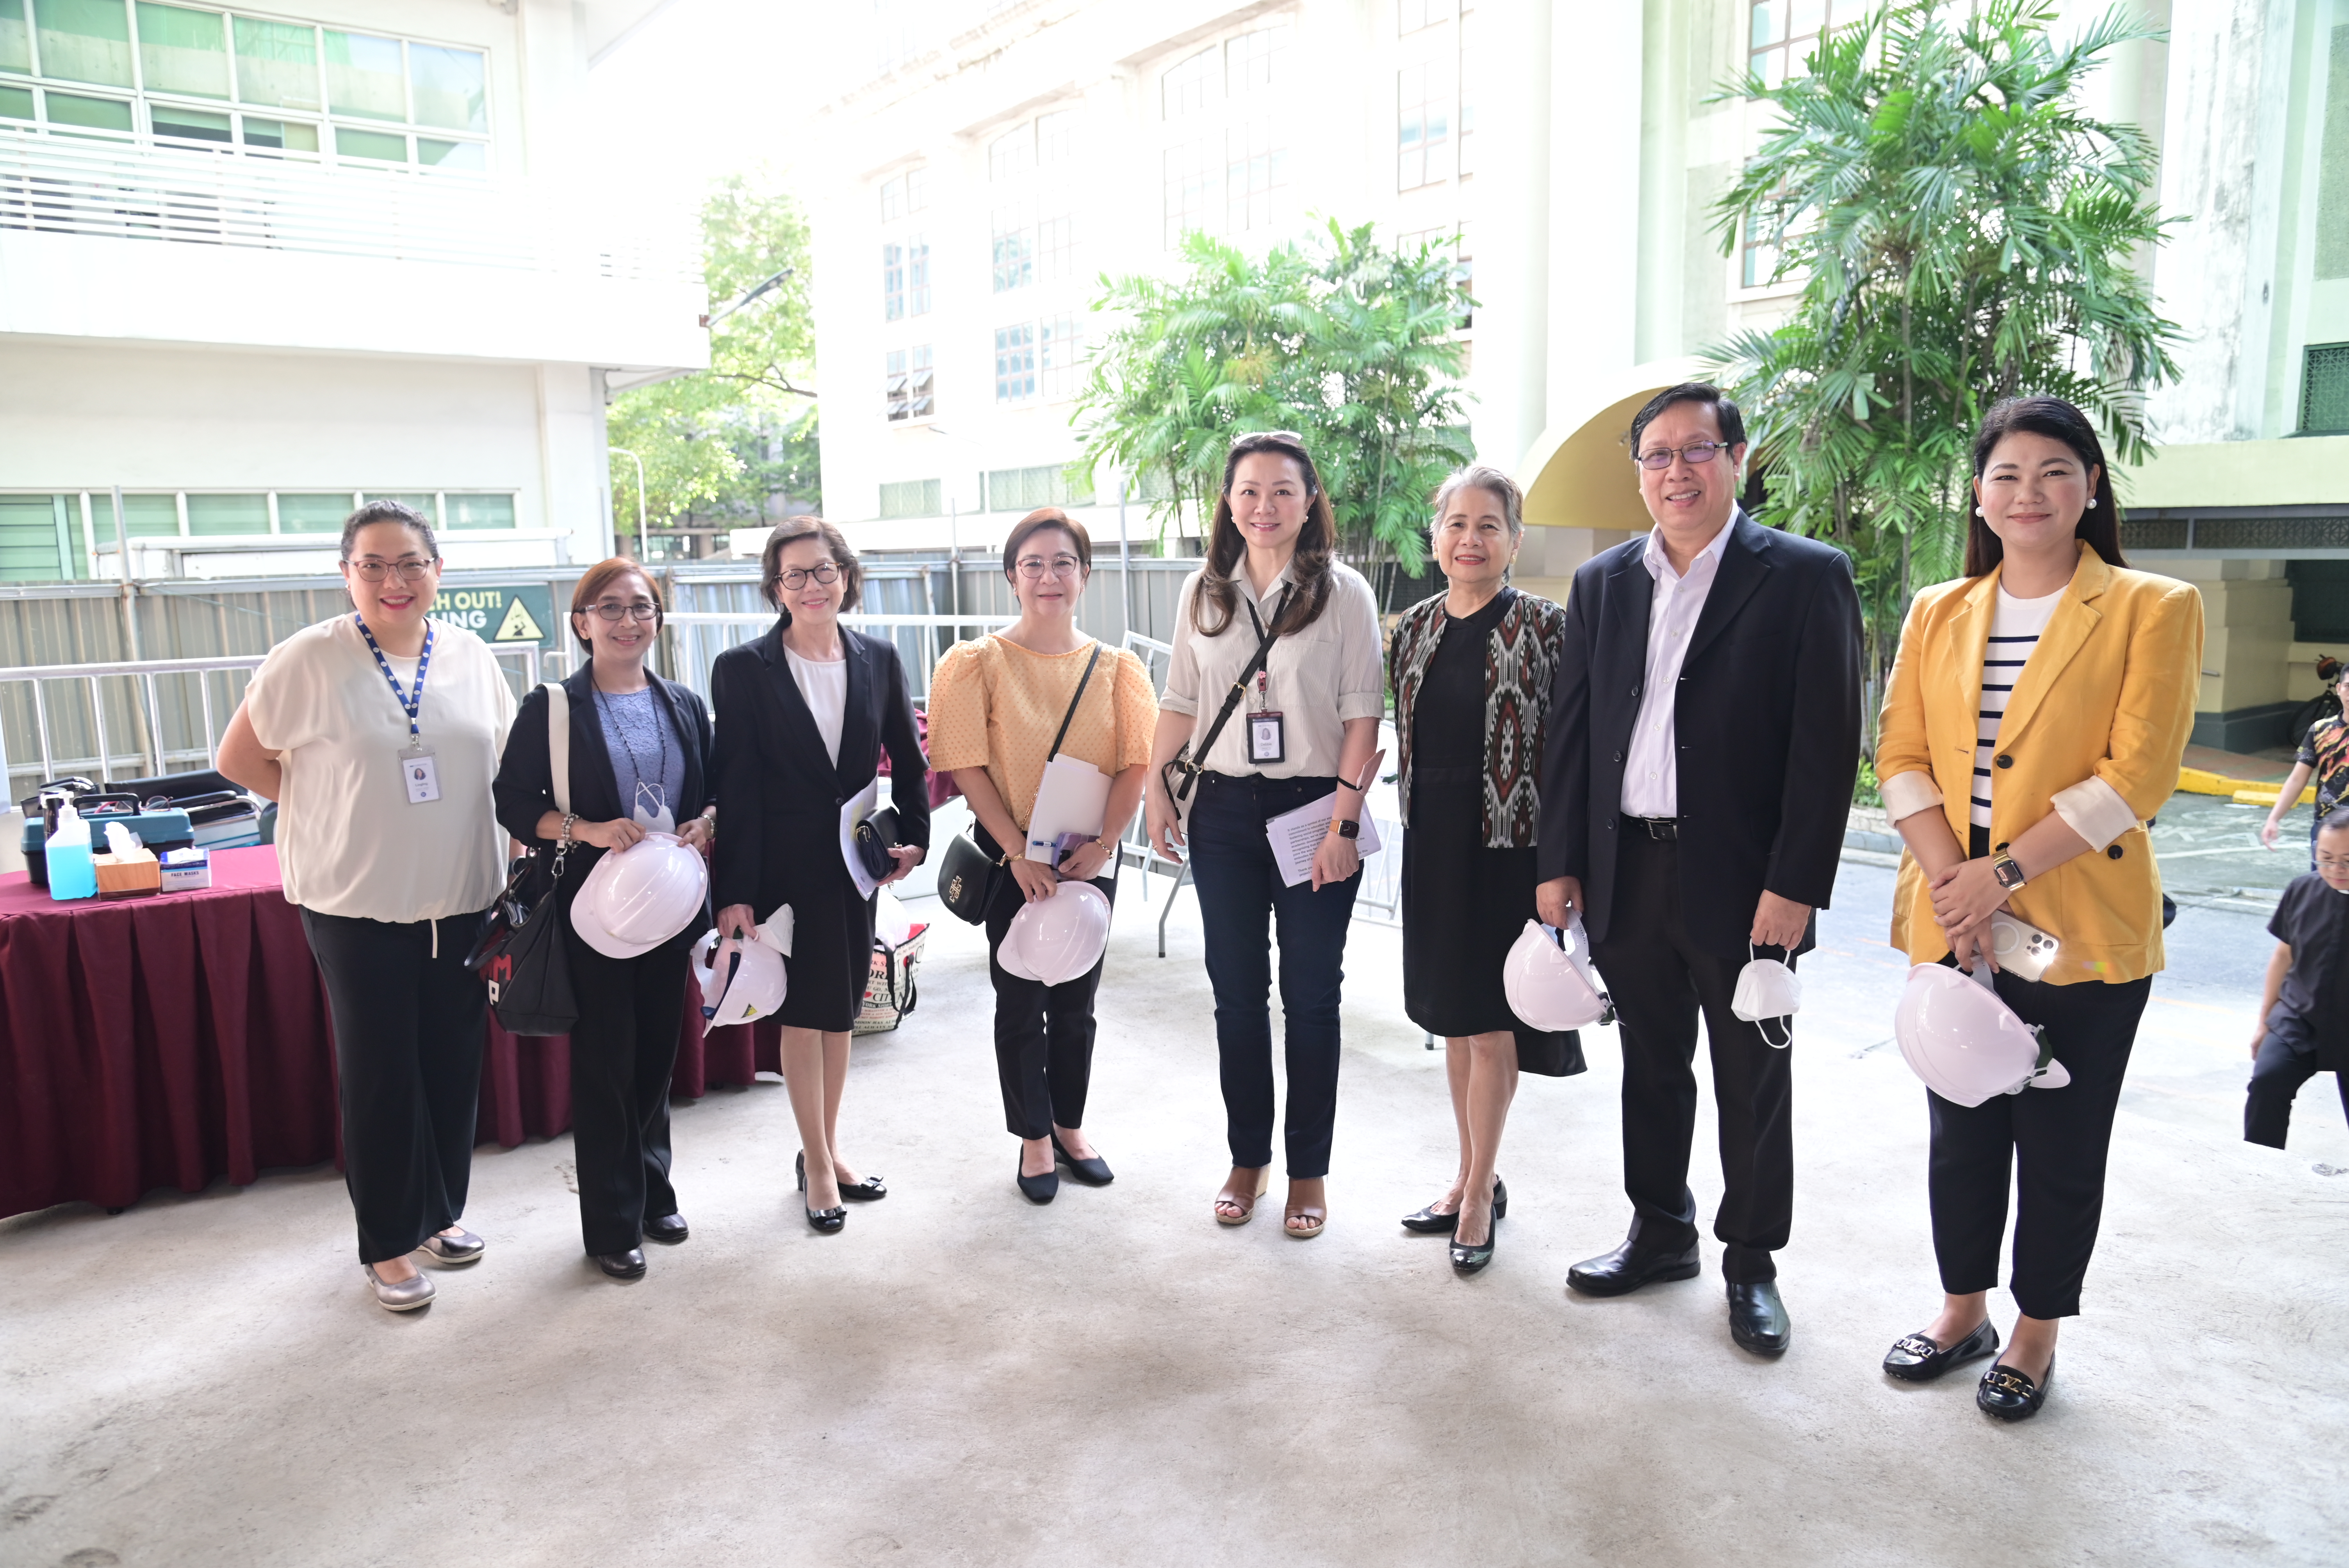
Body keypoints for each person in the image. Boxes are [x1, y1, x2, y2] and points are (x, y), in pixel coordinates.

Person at [1875, 395, 2202, 1420]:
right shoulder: (1938, 609)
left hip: (2080, 931)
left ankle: (2035, 1332)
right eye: (2007, 474)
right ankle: (1961, 1310)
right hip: (1952, 923)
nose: (2029, 492)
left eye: (2055, 471)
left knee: (2061, 1145)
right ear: (1979, 495)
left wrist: (1999, 876)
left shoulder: (2153, 606)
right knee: (1960, 1129)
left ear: (2090, 487)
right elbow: (1899, 756)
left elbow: (2136, 776)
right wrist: (1953, 885)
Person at [1535, 382, 1862, 1355]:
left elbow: (1825, 746)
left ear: (1736, 457)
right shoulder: (1602, 583)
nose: (1675, 471)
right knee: (1650, 1063)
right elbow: (1572, 732)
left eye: (1695, 450)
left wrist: (1794, 884)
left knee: (1751, 1077)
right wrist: (1559, 861)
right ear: (1639, 474)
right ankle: (1660, 1230)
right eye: (1657, 456)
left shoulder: (1802, 576)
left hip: (1747, 882)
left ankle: (1751, 1262)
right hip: (1625, 866)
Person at [215, 500, 516, 1312]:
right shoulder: (308, 658)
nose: (394, 580)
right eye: (373, 565)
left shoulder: (471, 656)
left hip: (461, 896)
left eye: (411, 563)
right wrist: (323, 807)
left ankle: (439, 1213)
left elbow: (501, 763)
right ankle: (386, 1242)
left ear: (438, 571)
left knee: (451, 1065)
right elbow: (238, 757)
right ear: (346, 574)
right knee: (382, 1075)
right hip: (355, 903)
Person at [1145, 430, 1385, 1239]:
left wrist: (1343, 822)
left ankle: (1307, 1170)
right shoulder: (1203, 591)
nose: (1264, 506)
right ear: (1227, 501)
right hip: (1220, 811)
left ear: (1310, 501)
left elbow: (1362, 714)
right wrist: (1156, 789)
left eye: (1283, 490)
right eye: (1248, 490)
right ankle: (1247, 1157)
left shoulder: (1343, 592)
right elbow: (1180, 699)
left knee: (1311, 997)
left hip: (1314, 805)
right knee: (1236, 995)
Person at [926, 509, 1159, 1203]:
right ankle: (1033, 1135)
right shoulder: (977, 663)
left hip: (1089, 860)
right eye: (1033, 564)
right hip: (1012, 861)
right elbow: (965, 766)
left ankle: (1069, 1125)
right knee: (1021, 1002)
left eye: (1063, 563)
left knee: (1078, 1003)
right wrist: (1015, 852)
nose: (1048, 576)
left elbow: (1137, 764)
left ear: (1085, 575)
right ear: (1011, 576)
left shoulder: (1118, 670)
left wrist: (1106, 844)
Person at [493, 559, 715, 1281]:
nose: (628, 621)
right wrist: (585, 829)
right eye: (610, 608)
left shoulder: (683, 702)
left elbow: (713, 790)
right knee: (605, 1064)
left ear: (658, 620)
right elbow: (512, 802)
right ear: (583, 622)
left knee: (655, 1056)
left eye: (642, 607)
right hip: (593, 911)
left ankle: (653, 1193)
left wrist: (707, 820)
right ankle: (612, 1223)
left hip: (669, 906)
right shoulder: (554, 707)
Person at [710, 517, 930, 1233]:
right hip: (782, 871)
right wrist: (734, 891)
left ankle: (828, 1150)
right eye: (795, 574)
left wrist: (915, 838)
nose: (812, 585)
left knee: (840, 1013)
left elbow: (909, 758)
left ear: (847, 576)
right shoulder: (743, 668)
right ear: (776, 587)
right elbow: (736, 784)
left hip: (854, 869)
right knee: (804, 1017)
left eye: (824, 570)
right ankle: (816, 1166)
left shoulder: (878, 658)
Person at [1388, 466, 1578, 1274]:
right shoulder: (1412, 628)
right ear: (1435, 537)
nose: (1470, 539)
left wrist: (1562, 866)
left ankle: (1476, 1194)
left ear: (1515, 539)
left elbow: (1572, 755)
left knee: (1493, 1023)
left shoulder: (1548, 626)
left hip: (1512, 852)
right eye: (1456, 524)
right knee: (1455, 1021)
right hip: (1433, 846)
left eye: (1488, 525)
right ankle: (1473, 1174)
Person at [2243, 807, 2349, 1149]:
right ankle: (2261, 1168)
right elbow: (2283, 956)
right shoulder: (2303, 889)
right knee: (2267, 1082)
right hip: (2300, 1017)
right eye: (2326, 859)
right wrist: (2265, 1023)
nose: (2337, 870)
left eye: (2348, 861)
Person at [2259, 666, 2349, 867]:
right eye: (2348, 687)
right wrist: (2274, 818)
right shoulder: (2320, 730)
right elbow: (2297, 779)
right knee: (2322, 883)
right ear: (2339, 689)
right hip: (2327, 828)